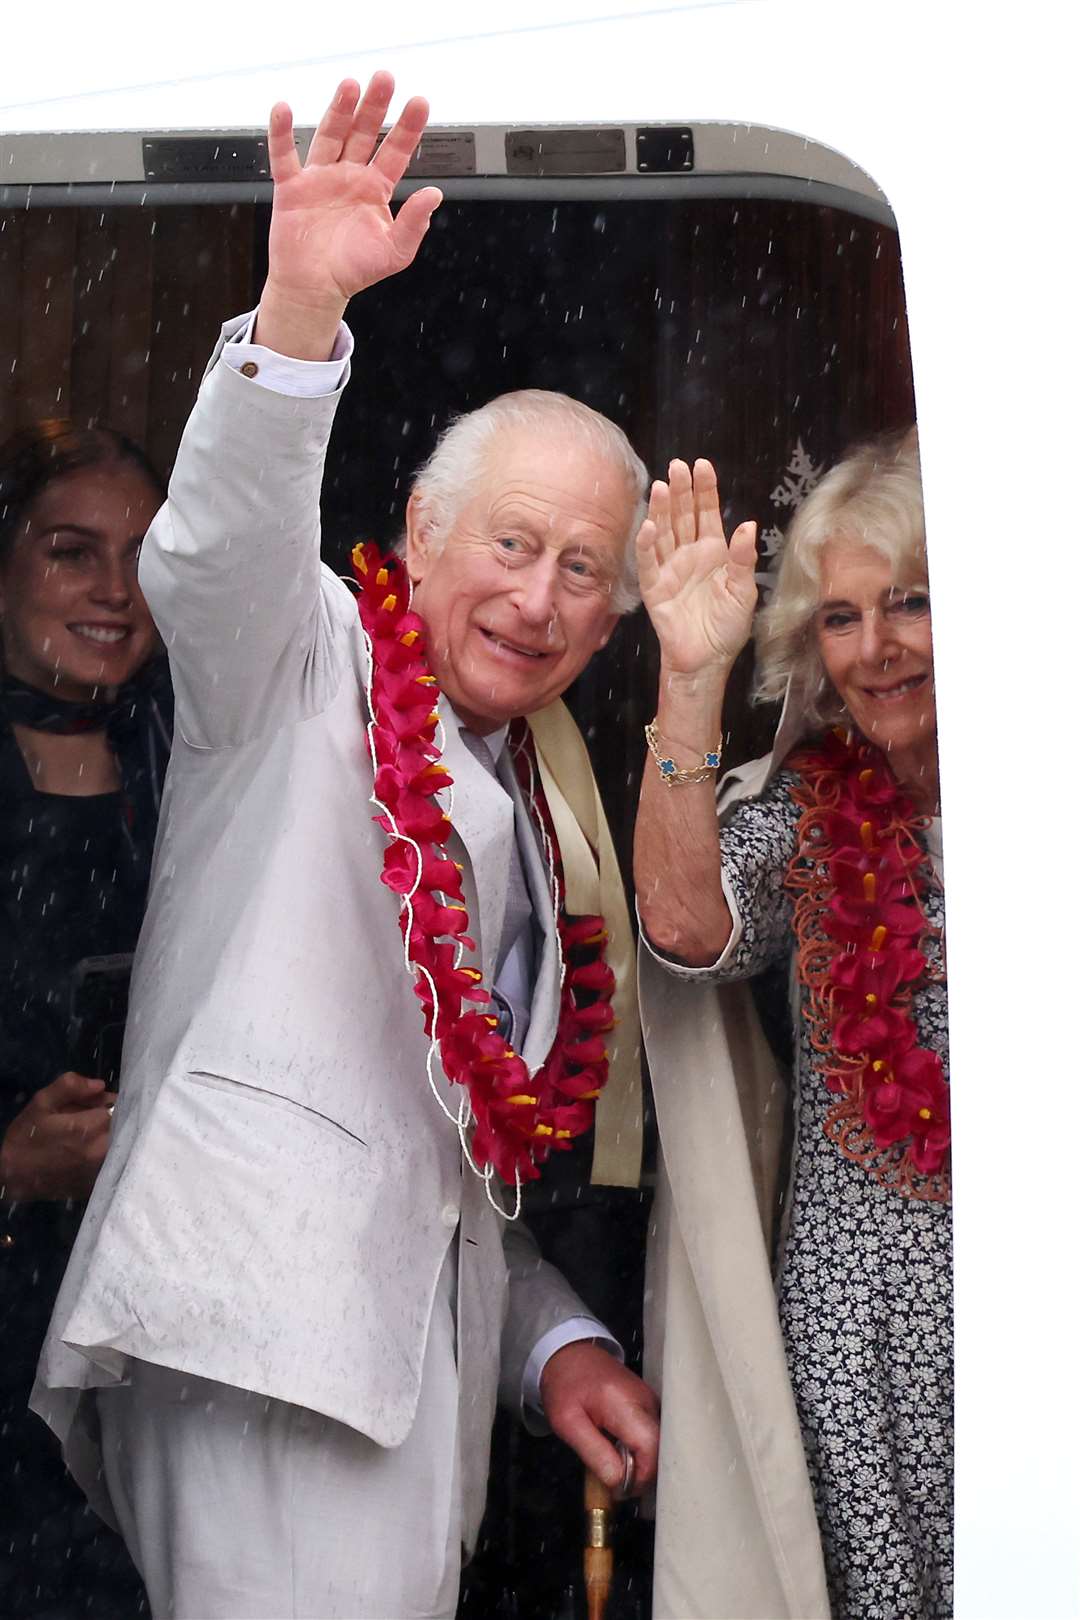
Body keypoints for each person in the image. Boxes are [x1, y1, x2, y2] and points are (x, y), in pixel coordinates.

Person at [32, 73, 659, 1620]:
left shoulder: (540, 791)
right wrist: (297, 308)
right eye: (510, 546)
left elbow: (436, 1155)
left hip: (390, 1386)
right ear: (419, 539)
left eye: (586, 569)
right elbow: (217, 545)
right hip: (258, 1351)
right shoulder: (307, 652)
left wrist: (550, 1342)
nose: (541, 597)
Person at [634, 437, 949, 1619]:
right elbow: (683, 927)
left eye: (913, 602)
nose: (878, 649)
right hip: (855, 1333)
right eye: (843, 616)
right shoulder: (813, 815)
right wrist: (686, 679)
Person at [0, 419, 168, 1616]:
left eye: (145, 556)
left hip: (145, 1306)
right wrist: (6, 1160)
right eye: (72, 551)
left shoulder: (193, 762)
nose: (115, 590)